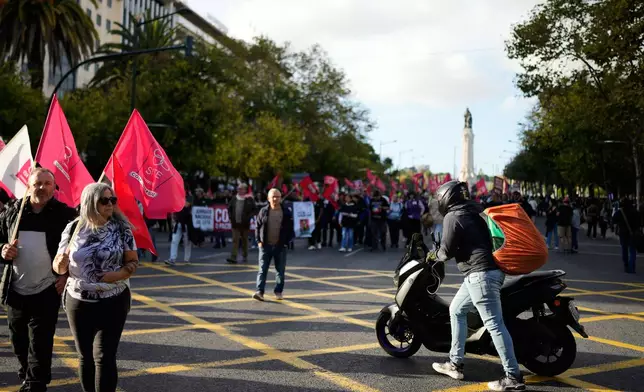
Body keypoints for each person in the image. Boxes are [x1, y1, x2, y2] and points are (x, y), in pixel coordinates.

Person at [428, 181, 525, 391]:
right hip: (487, 272)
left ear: (447, 198)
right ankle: (455, 364)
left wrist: (432, 254)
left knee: (495, 325)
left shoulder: (453, 216)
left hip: (480, 275)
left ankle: (513, 377)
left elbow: (446, 251)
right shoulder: (474, 211)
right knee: (456, 310)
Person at [54, 183, 138, 392]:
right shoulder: (73, 228)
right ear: (90, 202)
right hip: (79, 301)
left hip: (114, 299)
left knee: (104, 356)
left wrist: (115, 276)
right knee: (85, 357)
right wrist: (60, 264)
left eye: (113, 200)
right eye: (104, 200)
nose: (110, 204)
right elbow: (57, 265)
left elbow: (133, 262)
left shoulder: (121, 228)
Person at [0, 168, 77, 392]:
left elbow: (78, 248)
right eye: (37, 183)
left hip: (46, 288)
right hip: (14, 289)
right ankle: (29, 373)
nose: (42, 188)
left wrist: (66, 274)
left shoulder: (64, 215)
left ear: (54, 187)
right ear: (29, 186)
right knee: (18, 340)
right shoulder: (14, 211)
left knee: (41, 340)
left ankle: (36, 383)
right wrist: (2, 249)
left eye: (47, 183)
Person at [253, 188, 294, 301]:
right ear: (268, 198)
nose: (275, 199)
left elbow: (291, 229)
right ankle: (259, 291)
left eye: (278, 196)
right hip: (265, 246)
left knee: (280, 271)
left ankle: (278, 291)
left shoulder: (286, 212)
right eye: (273, 196)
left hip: (280, 246)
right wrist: (259, 241)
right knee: (262, 270)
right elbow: (257, 226)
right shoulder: (263, 211)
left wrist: (286, 242)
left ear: (280, 198)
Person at [227, 183, 256, 263]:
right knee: (235, 240)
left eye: (240, 189)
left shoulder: (249, 199)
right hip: (235, 223)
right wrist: (230, 217)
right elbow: (229, 208)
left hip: (245, 224)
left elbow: (254, 209)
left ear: (245, 190)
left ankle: (245, 255)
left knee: (244, 240)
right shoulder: (234, 198)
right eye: (238, 189)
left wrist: (249, 217)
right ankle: (233, 257)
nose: (239, 190)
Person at [612, 198, 639, 274]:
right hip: (633, 233)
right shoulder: (635, 212)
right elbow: (639, 222)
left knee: (624, 249)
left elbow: (613, 220)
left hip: (623, 233)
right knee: (632, 250)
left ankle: (626, 264)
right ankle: (632, 266)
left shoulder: (620, 212)